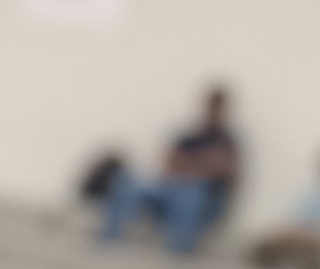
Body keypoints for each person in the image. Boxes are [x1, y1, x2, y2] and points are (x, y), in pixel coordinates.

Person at [99, 84, 239, 256]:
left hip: (200, 196)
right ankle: (110, 239)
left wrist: (192, 165)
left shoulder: (228, 141)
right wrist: (203, 163)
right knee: (127, 181)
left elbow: (224, 170)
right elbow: (169, 163)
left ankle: (179, 250)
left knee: (191, 195)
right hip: (170, 187)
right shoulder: (190, 136)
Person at [245, 146, 320, 269]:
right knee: (273, 238)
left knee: (312, 246)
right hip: (304, 232)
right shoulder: (318, 191)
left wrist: (308, 233)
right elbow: (301, 215)